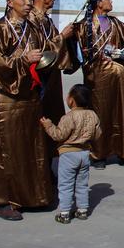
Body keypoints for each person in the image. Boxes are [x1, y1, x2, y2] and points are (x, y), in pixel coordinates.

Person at [0, 0, 66, 220]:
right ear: (10, 2)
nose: (29, 3)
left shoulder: (33, 28)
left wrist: (48, 56)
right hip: (7, 100)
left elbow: (47, 55)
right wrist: (23, 60)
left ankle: (34, 196)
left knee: (32, 147)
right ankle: (4, 201)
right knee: (7, 150)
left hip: (31, 96)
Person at [68, 0, 124, 169]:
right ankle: (99, 154)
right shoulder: (84, 26)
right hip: (97, 78)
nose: (111, 1)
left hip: (118, 78)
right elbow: (75, 51)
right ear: (99, 3)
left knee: (120, 113)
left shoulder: (115, 23)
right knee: (100, 114)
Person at [40, 84, 102, 224]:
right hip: (84, 154)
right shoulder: (93, 115)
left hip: (68, 154)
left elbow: (58, 135)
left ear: (72, 100)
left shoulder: (68, 117)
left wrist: (48, 125)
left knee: (65, 185)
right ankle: (82, 210)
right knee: (82, 184)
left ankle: (65, 212)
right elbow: (97, 135)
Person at [28, 0, 71, 128]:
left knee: (52, 110)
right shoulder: (31, 18)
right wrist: (62, 37)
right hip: (39, 74)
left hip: (52, 73)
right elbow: (37, 47)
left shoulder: (46, 19)